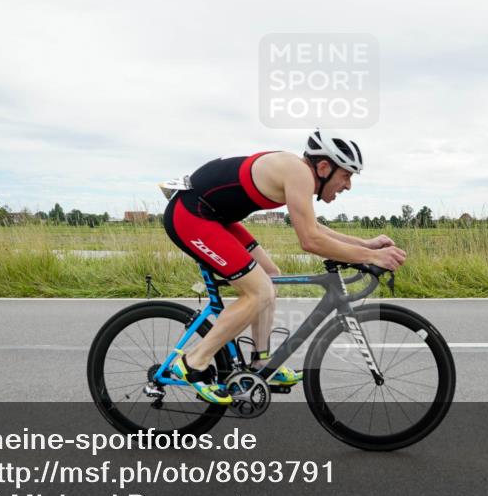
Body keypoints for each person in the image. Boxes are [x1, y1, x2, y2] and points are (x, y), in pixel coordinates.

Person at [162, 129, 407, 404]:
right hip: (191, 215)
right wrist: (370, 257)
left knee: (270, 277)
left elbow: (314, 227)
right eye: (346, 175)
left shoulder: (298, 173)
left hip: (215, 217)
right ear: (324, 167)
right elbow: (310, 240)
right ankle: (193, 362)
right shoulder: (299, 172)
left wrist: (365, 245)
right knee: (259, 292)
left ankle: (260, 363)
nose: (348, 185)